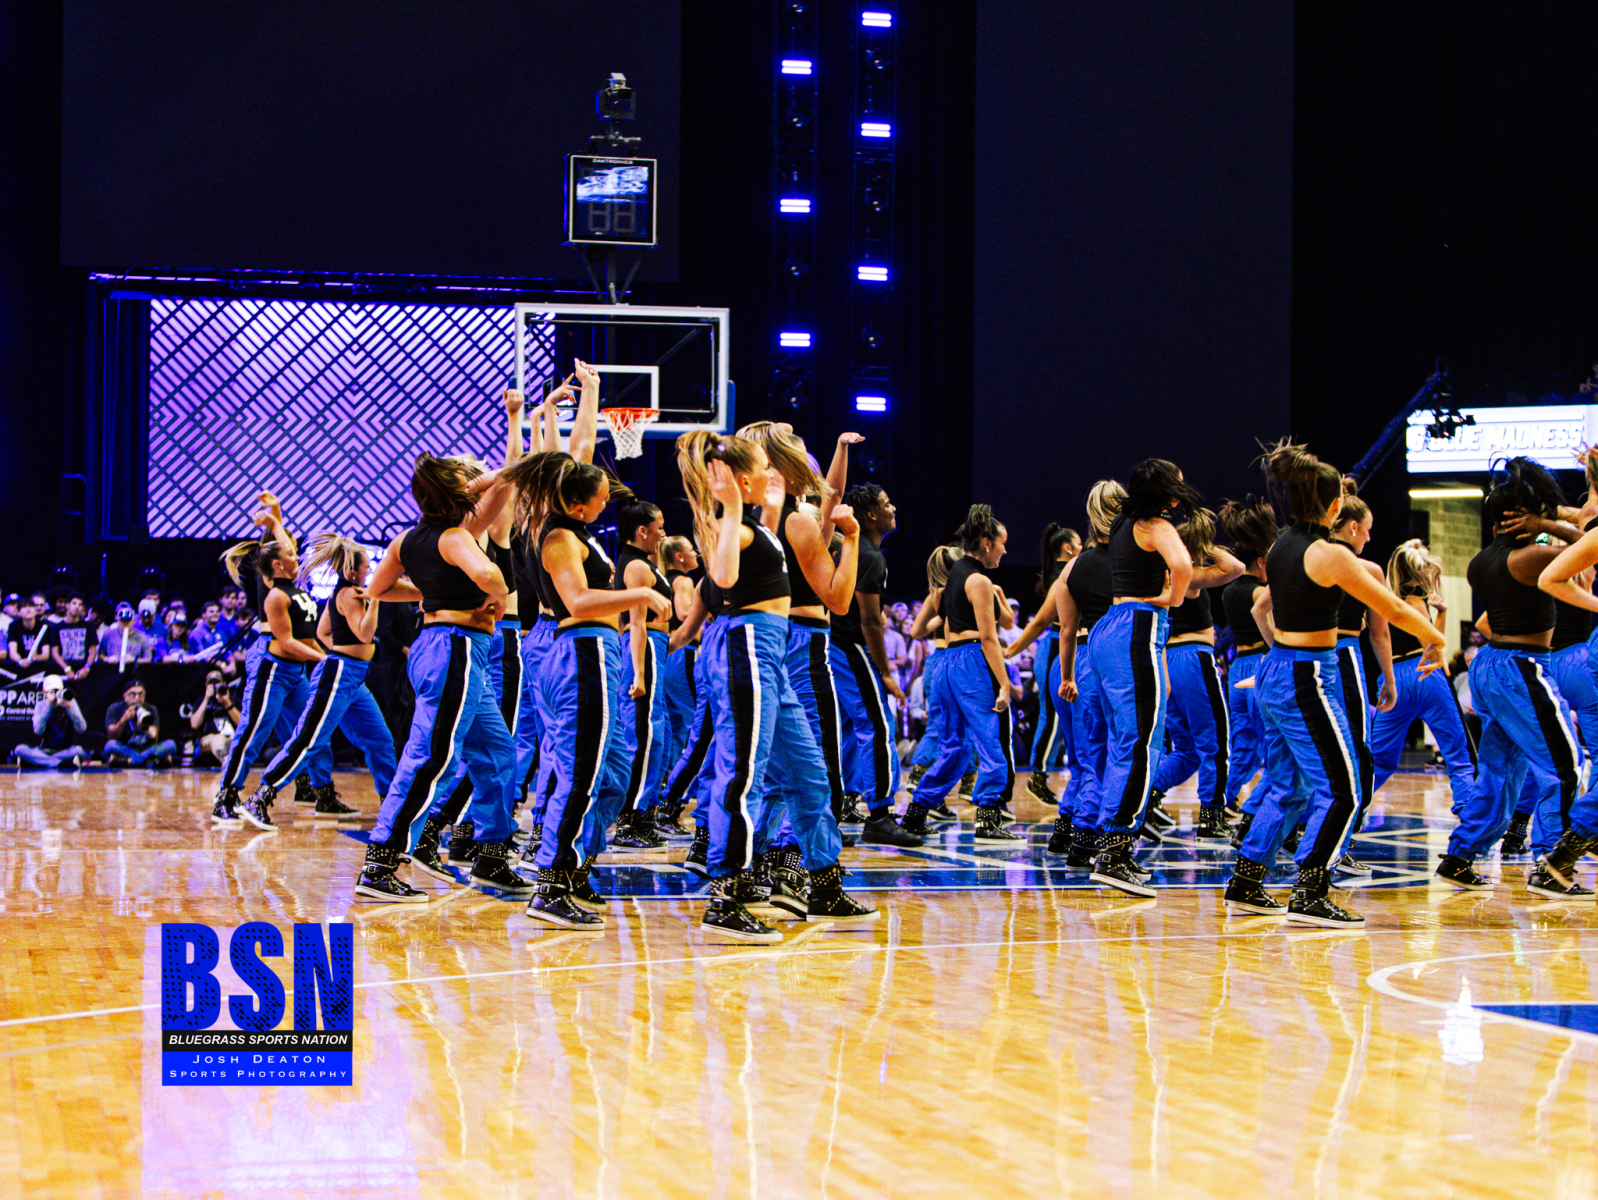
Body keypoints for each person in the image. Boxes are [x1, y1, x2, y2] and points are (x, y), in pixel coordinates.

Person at [1222, 442, 1444, 924]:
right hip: (1307, 674)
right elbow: (1392, 607)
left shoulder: (1281, 545)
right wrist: (1435, 637)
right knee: (1346, 788)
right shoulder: (1328, 554)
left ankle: (1246, 880)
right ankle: (1311, 890)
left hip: (1278, 668)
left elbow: (1263, 607)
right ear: (1337, 504)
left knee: (1287, 785)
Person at [676, 430, 876, 941]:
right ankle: (726, 894)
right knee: (743, 773)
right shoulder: (735, 525)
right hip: (746, 647)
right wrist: (726, 502)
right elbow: (723, 577)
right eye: (764, 466)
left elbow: (823, 494)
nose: (773, 473)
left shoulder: (766, 521)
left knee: (808, 773)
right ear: (744, 481)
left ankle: (823, 884)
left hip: (769, 651)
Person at [501, 450, 671, 926]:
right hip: (580, 653)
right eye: (600, 499)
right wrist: (640, 594)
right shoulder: (557, 536)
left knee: (614, 771)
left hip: (599, 653)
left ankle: (577, 864)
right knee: (581, 771)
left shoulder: (575, 531)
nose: (606, 504)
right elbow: (577, 600)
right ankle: (551, 882)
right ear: (577, 505)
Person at [357, 454, 521, 901]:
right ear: (456, 496)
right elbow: (488, 573)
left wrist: (429, 592)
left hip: (442, 647)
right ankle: (380, 862)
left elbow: (378, 588)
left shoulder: (407, 540)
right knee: (430, 756)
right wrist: (497, 596)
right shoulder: (455, 537)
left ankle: (492, 854)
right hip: (455, 649)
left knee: (497, 753)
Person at [1424, 459, 1575, 893]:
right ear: (1523, 516)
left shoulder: (1481, 560)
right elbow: (1590, 547)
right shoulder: (1530, 557)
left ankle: (1460, 856)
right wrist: (1550, 525)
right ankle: (1553, 864)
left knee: (1499, 771)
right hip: (1522, 666)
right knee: (1565, 766)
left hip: (1491, 664)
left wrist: (1541, 521)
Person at [737, 420, 866, 912]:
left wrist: (839, 448)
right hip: (800, 643)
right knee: (816, 762)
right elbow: (838, 598)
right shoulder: (796, 520)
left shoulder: (752, 520)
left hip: (759, 640)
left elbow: (830, 497)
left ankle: (764, 865)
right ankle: (794, 865)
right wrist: (852, 541)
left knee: (774, 767)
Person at [1086, 459, 1200, 897]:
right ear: (1167, 492)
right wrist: (1172, 598)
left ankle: (1108, 841)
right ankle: (1115, 852)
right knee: (1140, 743)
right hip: (1137, 627)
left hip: (1109, 628)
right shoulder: (1156, 525)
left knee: (1122, 740)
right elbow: (1183, 566)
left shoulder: (1120, 523)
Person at [239, 534, 399, 827]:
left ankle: (392, 804)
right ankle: (261, 796)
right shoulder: (349, 594)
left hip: (354, 677)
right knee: (309, 740)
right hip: (340, 675)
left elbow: (323, 631)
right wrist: (375, 602)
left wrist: (335, 653)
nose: (370, 569)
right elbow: (365, 634)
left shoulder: (350, 592)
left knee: (380, 740)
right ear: (352, 571)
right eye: (367, 565)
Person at [902, 505, 1020, 844]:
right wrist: (1004, 683)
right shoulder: (979, 580)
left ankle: (916, 813)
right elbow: (990, 637)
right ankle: (988, 819)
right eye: (1002, 543)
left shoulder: (953, 575)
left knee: (954, 746)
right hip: (971, 661)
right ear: (986, 543)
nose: (1005, 551)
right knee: (990, 740)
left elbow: (927, 628)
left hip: (945, 663)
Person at [213, 495, 329, 824]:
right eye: (289, 551)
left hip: (295, 667)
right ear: (276, 562)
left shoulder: (293, 580)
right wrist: (275, 517)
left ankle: (313, 786)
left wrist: (276, 515)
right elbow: (277, 544)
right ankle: (226, 795)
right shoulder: (271, 582)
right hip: (272, 658)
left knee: (310, 729)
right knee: (255, 729)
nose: (296, 552)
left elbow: (283, 543)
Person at [1144, 507, 1246, 840]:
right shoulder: (1186, 573)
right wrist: (1204, 545)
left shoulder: (1161, 572)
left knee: (1186, 750)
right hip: (1193, 660)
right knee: (1215, 741)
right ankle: (1212, 817)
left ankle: (1148, 797)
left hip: (1167, 661)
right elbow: (1236, 567)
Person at [831, 482, 919, 845]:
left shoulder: (856, 550)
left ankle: (839, 807)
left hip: (830, 645)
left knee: (844, 731)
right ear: (870, 515)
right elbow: (869, 621)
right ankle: (880, 816)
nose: (893, 508)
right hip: (847, 645)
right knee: (879, 725)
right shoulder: (869, 555)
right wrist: (885, 672)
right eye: (886, 504)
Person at [1365, 540, 1477, 820]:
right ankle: (1470, 818)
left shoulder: (1382, 602)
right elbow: (1432, 645)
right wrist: (1443, 614)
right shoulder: (1417, 603)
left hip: (1393, 677)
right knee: (1458, 754)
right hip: (1425, 673)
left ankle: (1348, 812)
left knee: (1380, 760)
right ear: (1420, 573)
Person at [610, 498, 674, 849]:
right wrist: (638, 672)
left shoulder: (646, 563)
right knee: (643, 737)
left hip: (656, 648)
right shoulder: (635, 566)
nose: (663, 533)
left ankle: (644, 815)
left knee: (658, 737)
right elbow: (635, 623)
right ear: (642, 531)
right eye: (659, 527)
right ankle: (629, 821)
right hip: (643, 648)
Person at [1216, 497, 1277, 841]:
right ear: (1261, 561)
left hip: (1237, 668)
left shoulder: (1229, 592)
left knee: (1241, 745)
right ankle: (1255, 810)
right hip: (1261, 666)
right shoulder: (1260, 593)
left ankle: (1221, 801)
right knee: (1270, 748)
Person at [14, 676, 88, 769]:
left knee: (79, 751)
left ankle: (38, 762)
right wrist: (48, 706)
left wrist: (70, 709)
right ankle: (60, 763)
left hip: (65, 751)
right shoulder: (41, 705)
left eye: (57, 691)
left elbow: (82, 729)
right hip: (44, 750)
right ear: (44, 692)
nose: (55, 694)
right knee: (19, 749)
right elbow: (38, 731)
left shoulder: (70, 703)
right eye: (52, 692)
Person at [103, 680, 180, 767]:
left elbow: (155, 738)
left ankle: (129, 762)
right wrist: (124, 719)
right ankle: (150, 761)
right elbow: (111, 737)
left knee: (171, 744)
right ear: (125, 696)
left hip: (147, 748)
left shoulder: (151, 709)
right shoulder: (115, 708)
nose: (137, 698)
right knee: (110, 745)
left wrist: (145, 728)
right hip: (125, 747)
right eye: (132, 694)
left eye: (141, 694)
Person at [189, 668, 241, 766]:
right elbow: (194, 725)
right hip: (210, 738)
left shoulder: (234, 701)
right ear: (206, 686)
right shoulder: (200, 701)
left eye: (217, 683)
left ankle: (228, 755)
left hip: (232, 737)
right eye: (211, 684)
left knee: (235, 740)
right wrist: (206, 698)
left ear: (224, 683)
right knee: (217, 739)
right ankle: (226, 759)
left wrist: (227, 703)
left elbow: (241, 724)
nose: (214, 686)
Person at [49, 593, 97, 681]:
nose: (77, 607)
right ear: (67, 605)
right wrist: (67, 669)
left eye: (80, 604)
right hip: (63, 669)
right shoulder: (56, 627)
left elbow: (93, 650)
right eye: (74, 603)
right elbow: (54, 652)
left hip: (83, 669)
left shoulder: (89, 626)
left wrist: (86, 668)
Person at [7, 598, 57, 672]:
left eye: (31, 606)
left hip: (39, 668)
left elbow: (46, 654)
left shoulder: (43, 626)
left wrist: (35, 658)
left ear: (35, 610)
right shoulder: (13, 626)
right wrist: (20, 661)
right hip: (19, 667)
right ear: (18, 612)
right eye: (24, 607)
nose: (28, 609)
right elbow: (12, 652)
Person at [98, 601, 153, 669]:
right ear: (117, 620)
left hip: (133, 672)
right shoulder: (108, 634)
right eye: (123, 621)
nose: (125, 623)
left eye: (128, 621)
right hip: (111, 671)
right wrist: (107, 659)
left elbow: (148, 659)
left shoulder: (142, 637)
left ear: (133, 621)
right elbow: (100, 654)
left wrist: (134, 660)